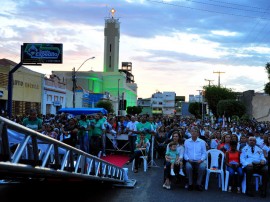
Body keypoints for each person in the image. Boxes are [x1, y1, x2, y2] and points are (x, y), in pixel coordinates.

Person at [184, 126, 207, 191]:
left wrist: (201, 159)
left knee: (202, 167)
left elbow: (204, 153)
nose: (193, 132)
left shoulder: (202, 142)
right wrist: (188, 159)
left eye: (195, 131)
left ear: (198, 133)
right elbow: (185, 153)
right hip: (190, 160)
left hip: (199, 160)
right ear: (190, 132)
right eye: (192, 131)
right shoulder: (187, 141)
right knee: (188, 167)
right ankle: (190, 184)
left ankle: (198, 184)